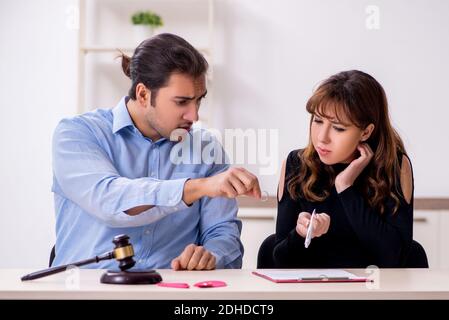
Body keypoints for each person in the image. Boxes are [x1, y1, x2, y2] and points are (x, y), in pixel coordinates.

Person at [51, 33, 261, 271]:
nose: (194, 116)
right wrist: (198, 187)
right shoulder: (78, 133)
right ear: (143, 94)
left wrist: (212, 254)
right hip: (88, 290)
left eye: (198, 101)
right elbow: (109, 199)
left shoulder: (206, 149)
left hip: (172, 293)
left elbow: (222, 233)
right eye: (182, 102)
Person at [273, 70, 414, 268]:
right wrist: (300, 234)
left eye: (338, 128)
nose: (322, 137)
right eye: (317, 120)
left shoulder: (394, 167)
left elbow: (395, 259)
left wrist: (345, 187)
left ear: (365, 132)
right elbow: (278, 262)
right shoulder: (296, 164)